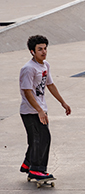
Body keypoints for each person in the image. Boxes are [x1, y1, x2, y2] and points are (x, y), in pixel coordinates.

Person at [19, 35, 71, 182]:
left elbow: (50, 85)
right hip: (30, 111)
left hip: (40, 110)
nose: (44, 52)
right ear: (32, 52)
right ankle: (36, 170)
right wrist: (39, 111)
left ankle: (27, 164)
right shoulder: (28, 69)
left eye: (45, 48)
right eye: (40, 49)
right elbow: (27, 92)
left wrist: (63, 102)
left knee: (37, 139)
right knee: (42, 138)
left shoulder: (45, 65)